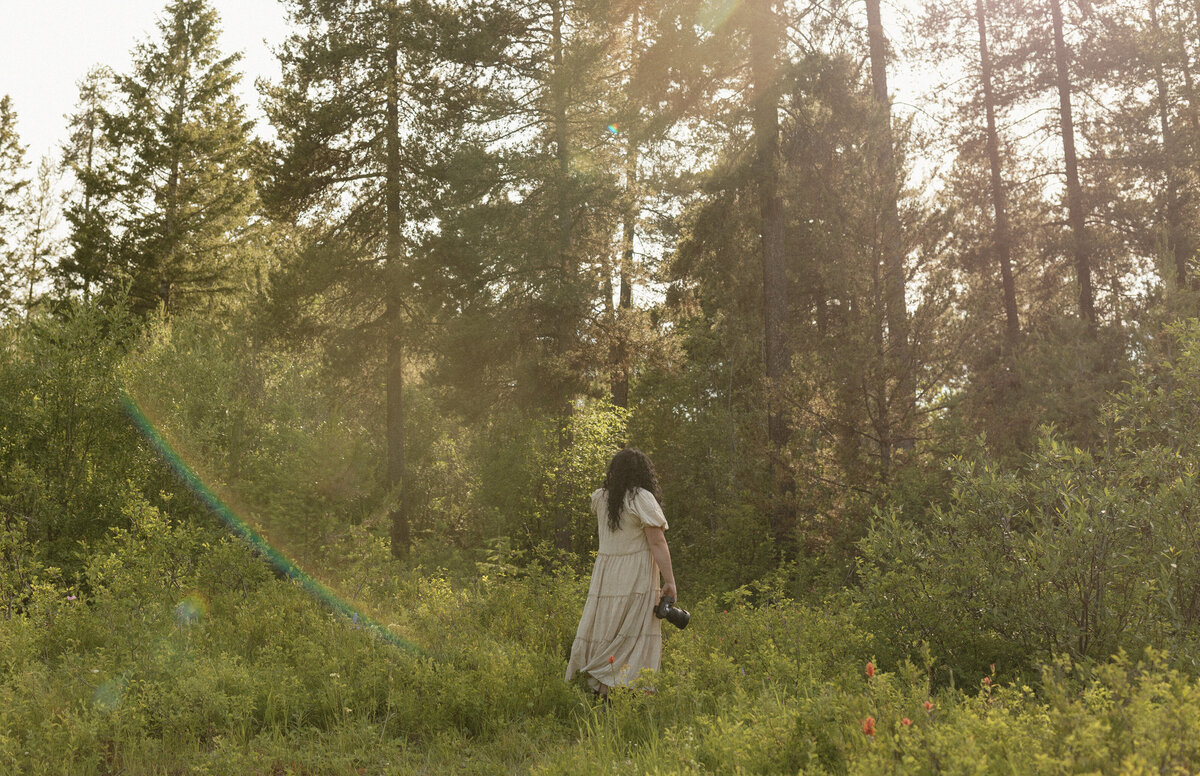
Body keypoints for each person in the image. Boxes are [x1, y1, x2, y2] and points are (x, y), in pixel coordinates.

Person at [565, 447, 677, 696]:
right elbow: (657, 542)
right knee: (632, 630)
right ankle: (626, 689)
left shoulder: (603, 499)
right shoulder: (641, 498)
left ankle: (603, 689)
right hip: (634, 574)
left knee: (610, 627)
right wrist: (670, 581)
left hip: (607, 574)